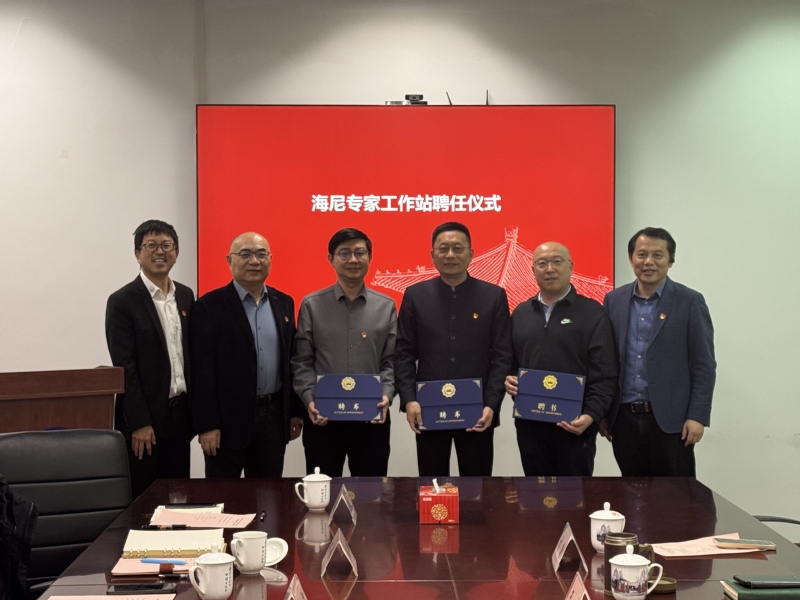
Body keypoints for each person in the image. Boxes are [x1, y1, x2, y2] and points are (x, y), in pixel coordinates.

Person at [395, 221, 512, 476]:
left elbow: (502, 356)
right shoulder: (415, 295)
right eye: (443, 248)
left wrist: (491, 404)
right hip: (428, 409)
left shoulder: (493, 296)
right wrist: (409, 399)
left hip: (478, 411)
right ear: (432, 255)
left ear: (471, 254)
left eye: (458, 248)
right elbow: (403, 353)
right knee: (432, 485)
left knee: (478, 487)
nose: (450, 255)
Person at [603, 227, 716, 477]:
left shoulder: (690, 301)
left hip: (671, 421)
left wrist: (697, 416)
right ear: (631, 258)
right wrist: (602, 412)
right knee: (631, 492)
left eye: (657, 255)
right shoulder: (613, 300)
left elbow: (704, 365)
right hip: (623, 419)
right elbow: (606, 362)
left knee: (677, 495)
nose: (648, 262)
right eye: (642, 254)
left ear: (670, 260)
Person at [190, 231, 303, 478]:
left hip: (273, 419)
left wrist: (294, 411)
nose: (254, 261)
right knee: (222, 495)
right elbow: (201, 371)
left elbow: (291, 362)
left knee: (268, 494)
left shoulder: (284, 302)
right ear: (229, 260)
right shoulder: (208, 306)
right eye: (245, 254)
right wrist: (207, 425)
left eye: (261, 254)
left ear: (270, 259)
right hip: (226, 423)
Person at [503, 242, 617, 476]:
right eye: (542, 263)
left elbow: (605, 372)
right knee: (534, 491)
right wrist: (509, 379)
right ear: (533, 269)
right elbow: (511, 363)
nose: (550, 269)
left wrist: (591, 415)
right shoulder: (521, 313)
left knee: (574, 494)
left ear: (571, 266)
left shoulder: (592, 313)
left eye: (557, 261)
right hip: (530, 424)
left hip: (575, 424)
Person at [292, 228, 396, 476]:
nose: (353, 260)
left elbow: (391, 361)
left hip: (371, 418)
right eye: (345, 253)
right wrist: (310, 399)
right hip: (323, 418)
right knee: (322, 492)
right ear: (331, 259)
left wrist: (386, 394)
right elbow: (302, 361)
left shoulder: (386, 306)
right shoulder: (311, 305)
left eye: (360, 253)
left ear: (370, 257)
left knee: (371, 492)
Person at [105, 220, 194, 498]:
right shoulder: (122, 301)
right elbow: (125, 366)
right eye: (151, 246)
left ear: (176, 253)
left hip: (180, 415)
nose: (160, 252)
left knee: (179, 496)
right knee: (144, 501)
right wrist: (139, 422)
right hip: (146, 421)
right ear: (137, 254)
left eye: (166, 245)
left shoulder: (186, 296)